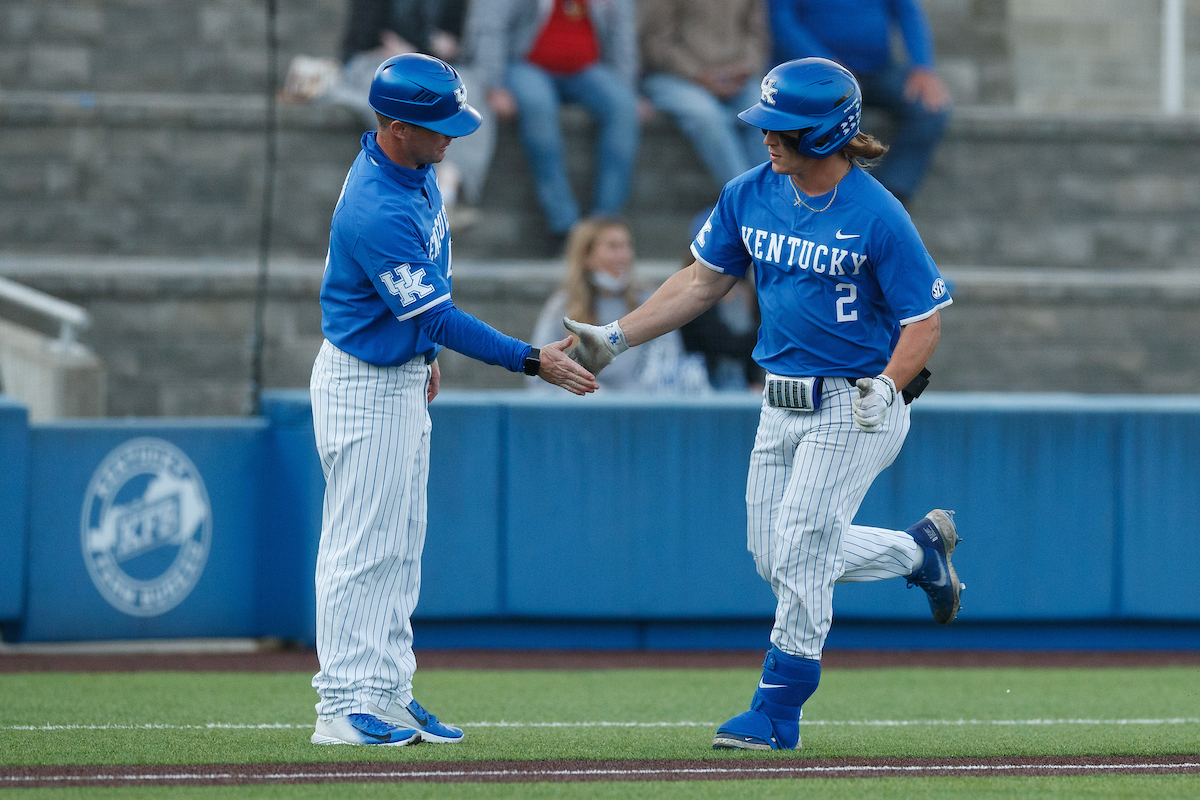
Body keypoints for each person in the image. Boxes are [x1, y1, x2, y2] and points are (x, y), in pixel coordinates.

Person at [563, 58, 961, 751]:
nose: (767, 137)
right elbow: (700, 282)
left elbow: (924, 321)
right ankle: (915, 553)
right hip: (778, 403)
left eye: (783, 127)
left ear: (827, 132)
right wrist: (617, 338)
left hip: (855, 400)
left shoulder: (878, 213)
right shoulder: (750, 193)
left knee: (804, 543)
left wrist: (888, 384)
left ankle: (778, 709)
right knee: (773, 555)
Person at [309, 53, 597, 747]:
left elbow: (425, 306)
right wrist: (530, 360)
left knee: (401, 549)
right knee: (359, 549)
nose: (452, 135)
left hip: (400, 373)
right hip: (362, 383)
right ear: (396, 124)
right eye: (437, 124)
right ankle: (342, 706)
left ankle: (385, 692)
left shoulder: (415, 170)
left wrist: (425, 358)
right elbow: (435, 313)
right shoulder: (376, 204)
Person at [469, 0, 641, 241]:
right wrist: (493, 84)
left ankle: (605, 225)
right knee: (538, 106)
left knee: (623, 106)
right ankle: (564, 225)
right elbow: (490, 26)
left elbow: (622, 34)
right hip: (524, 64)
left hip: (587, 70)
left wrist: (629, 88)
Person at [767, 0, 951, 204]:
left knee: (930, 109)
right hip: (815, 73)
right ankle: (841, 196)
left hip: (879, 70)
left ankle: (891, 196)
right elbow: (781, 20)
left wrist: (922, 66)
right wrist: (826, 64)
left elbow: (907, 11)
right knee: (832, 117)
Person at [330, 0, 495, 224]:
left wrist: (434, 48)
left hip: (434, 65)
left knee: (466, 92)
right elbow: (363, 34)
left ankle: (447, 191)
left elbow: (455, 37)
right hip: (380, 64)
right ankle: (431, 198)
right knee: (407, 97)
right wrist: (413, 50)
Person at [530, 218, 710, 393]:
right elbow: (540, 378)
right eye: (613, 247)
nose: (624, 255)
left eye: (627, 246)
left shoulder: (650, 299)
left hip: (640, 410)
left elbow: (669, 363)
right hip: (583, 412)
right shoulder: (561, 307)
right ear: (586, 255)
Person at [639, 0, 769, 188]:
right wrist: (699, 75)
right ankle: (745, 203)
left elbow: (757, 35)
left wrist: (744, 68)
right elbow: (655, 42)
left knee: (766, 110)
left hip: (737, 77)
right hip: (675, 77)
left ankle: (777, 200)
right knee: (707, 116)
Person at [678, 207, 763, 391]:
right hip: (701, 386)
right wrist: (770, 327)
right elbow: (723, 343)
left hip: (744, 387)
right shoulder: (689, 290)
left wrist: (756, 381)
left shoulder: (747, 286)